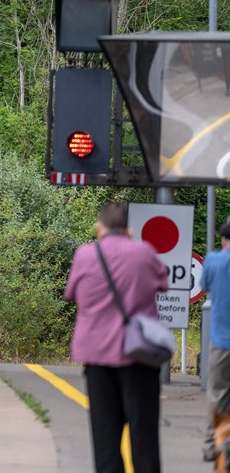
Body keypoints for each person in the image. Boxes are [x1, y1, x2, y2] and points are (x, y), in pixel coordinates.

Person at [64, 200, 168, 473]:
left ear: (100, 227)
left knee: (106, 438)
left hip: (97, 357)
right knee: (143, 436)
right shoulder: (144, 253)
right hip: (138, 357)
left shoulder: (85, 255)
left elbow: (72, 294)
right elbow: (162, 284)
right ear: (127, 229)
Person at [204, 219, 230, 462]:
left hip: (222, 342)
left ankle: (213, 445)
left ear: (224, 239)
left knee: (218, 394)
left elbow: (203, 285)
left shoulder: (213, 260)